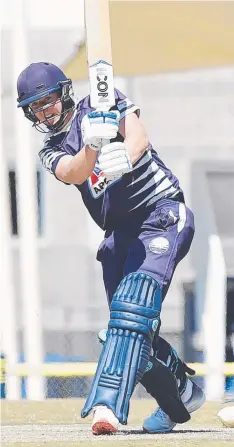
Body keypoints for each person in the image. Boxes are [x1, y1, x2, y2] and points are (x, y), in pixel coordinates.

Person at [17, 62, 205, 435]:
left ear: (64, 93)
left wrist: (124, 156)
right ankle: (180, 396)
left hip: (160, 212)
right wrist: (91, 145)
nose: (45, 111)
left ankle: (108, 408)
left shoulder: (101, 102)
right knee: (127, 330)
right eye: (36, 107)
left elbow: (137, 134)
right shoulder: (51, 147)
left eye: (48, 101)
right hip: (120, 237)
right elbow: (73, 171)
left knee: (132, 310)